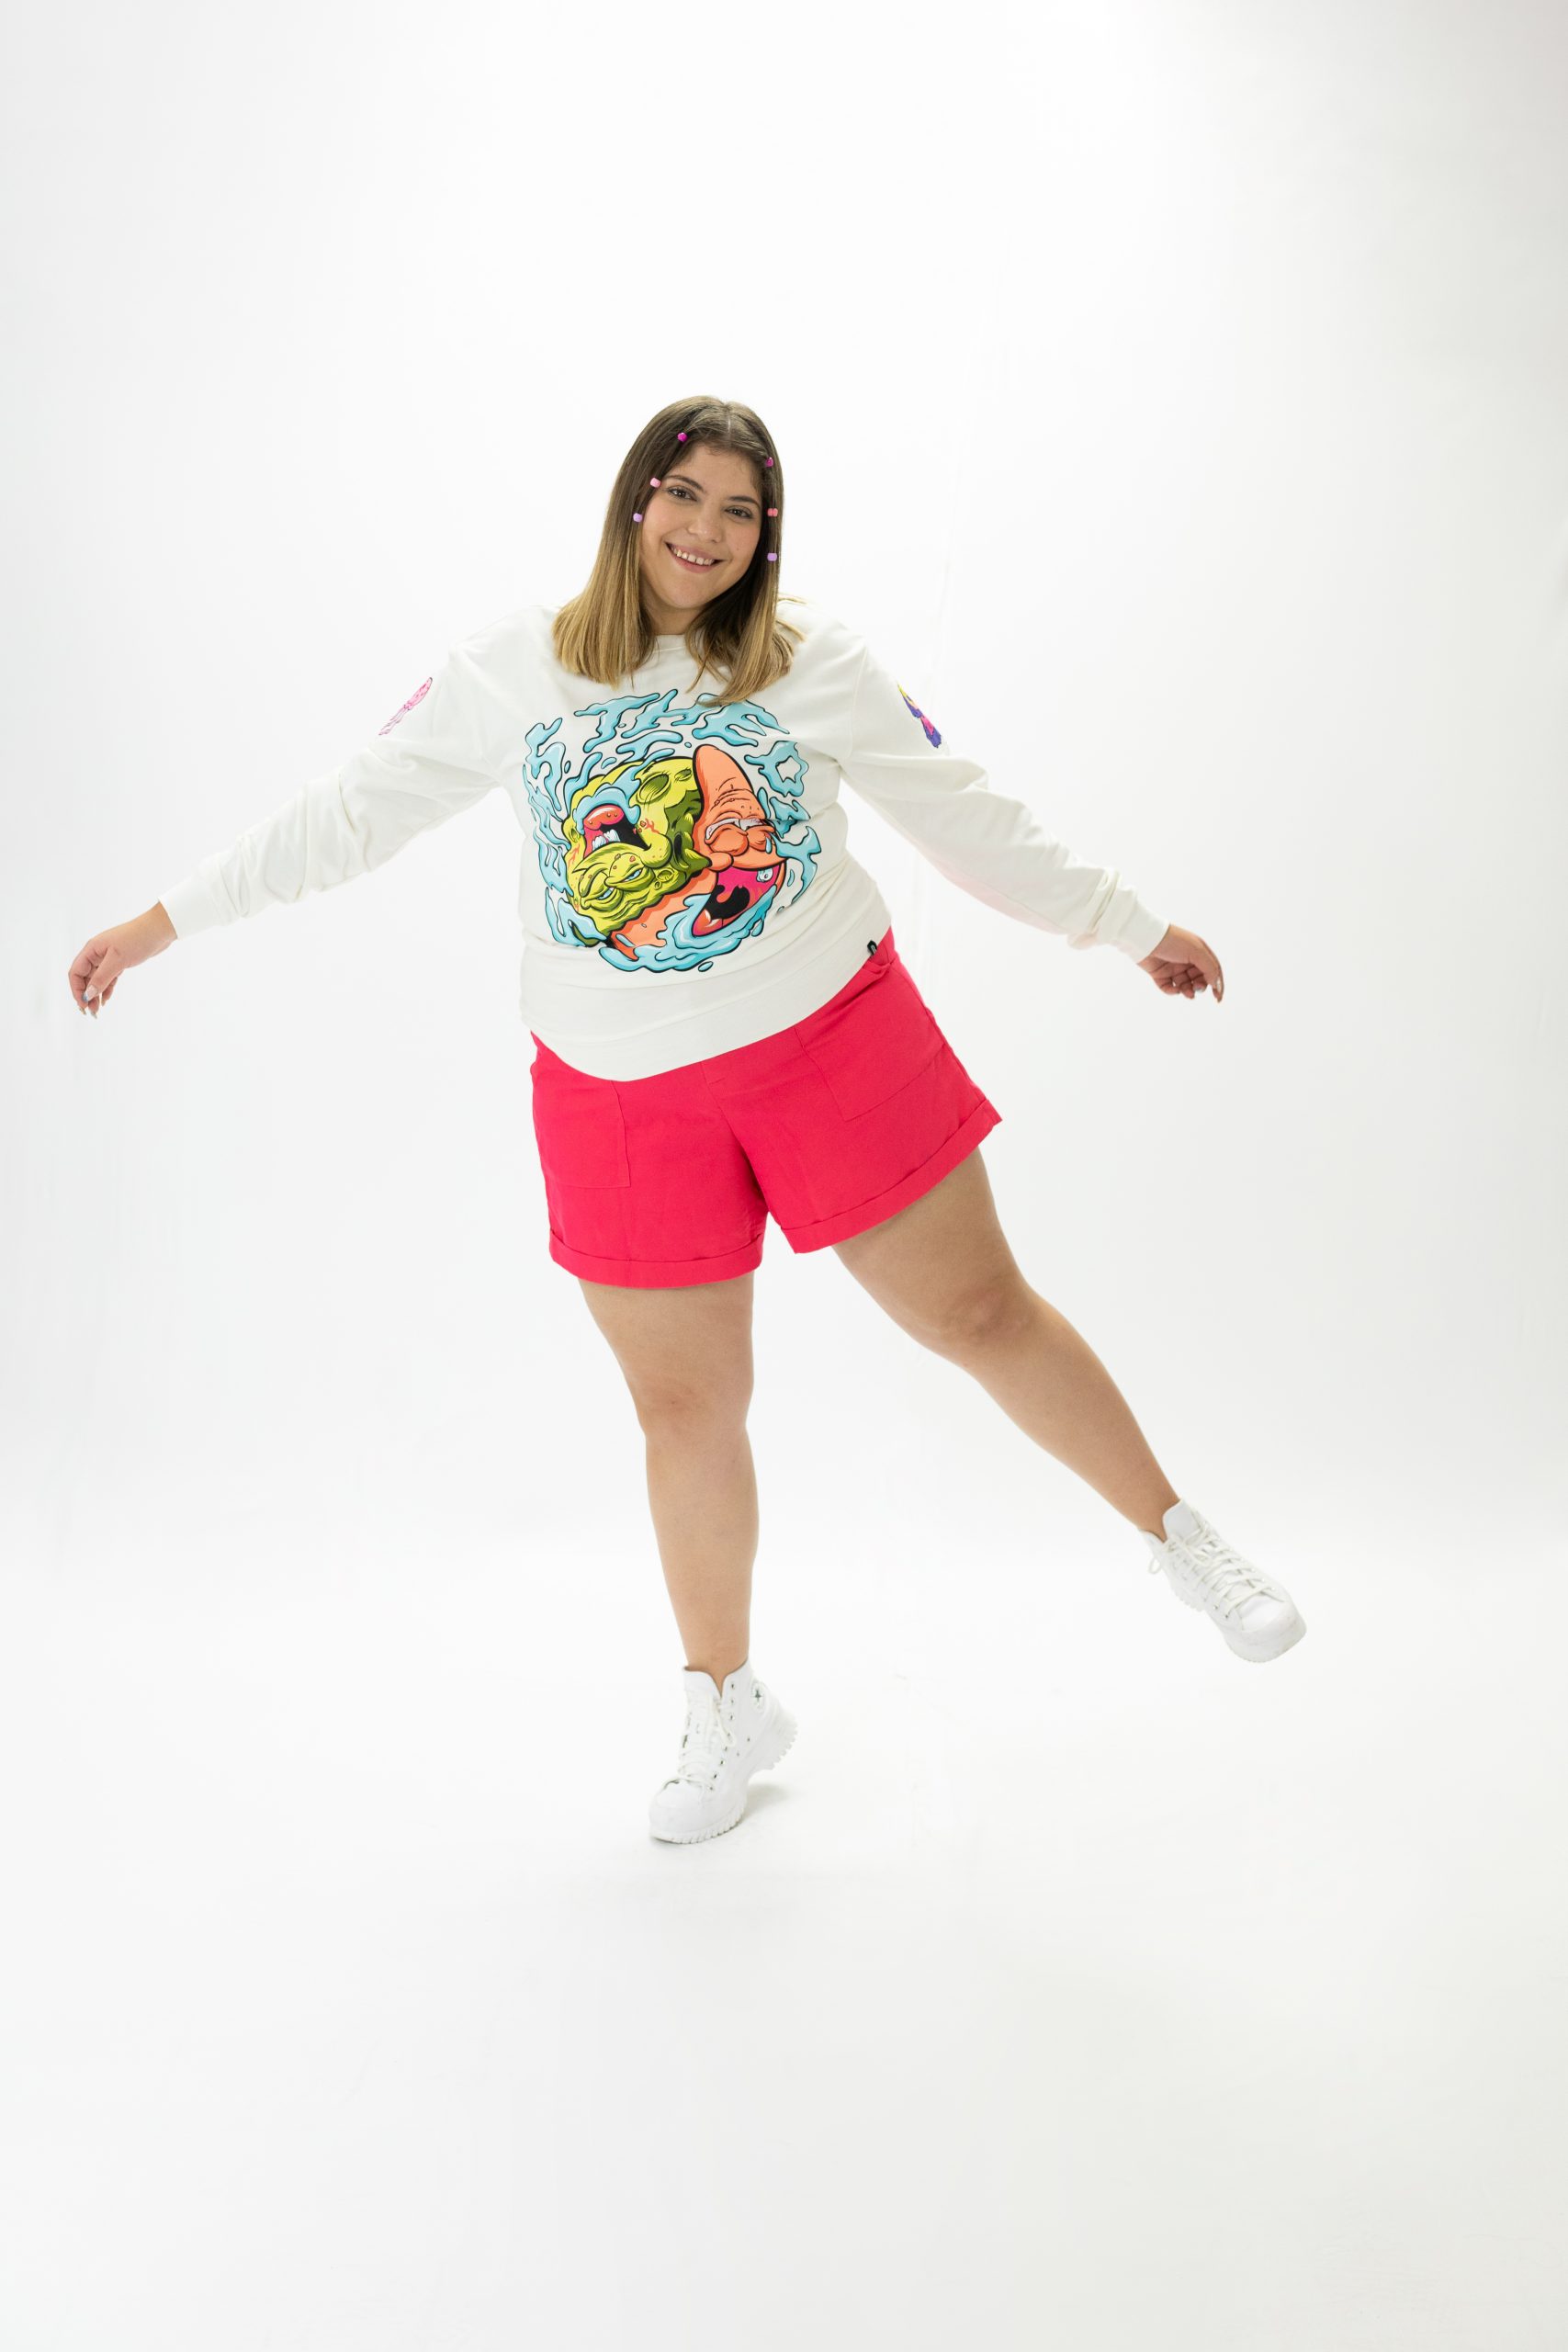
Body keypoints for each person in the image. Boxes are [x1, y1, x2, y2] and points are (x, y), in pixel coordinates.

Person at [67, 394, 1307, 1846]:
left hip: (832, 1041)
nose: (705, 531)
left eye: (741, 511)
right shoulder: (513, 667)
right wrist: (163, 921)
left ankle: (1182, 1540)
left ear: (766, 537)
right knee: (685, 1409)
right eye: (685, 495)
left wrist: (1127, 924)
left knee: (980, 1314)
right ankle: (726, 1701)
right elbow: (350, 813)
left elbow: (963, 815)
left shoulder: (810, 662)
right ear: (634, 499)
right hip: (617, 1092)